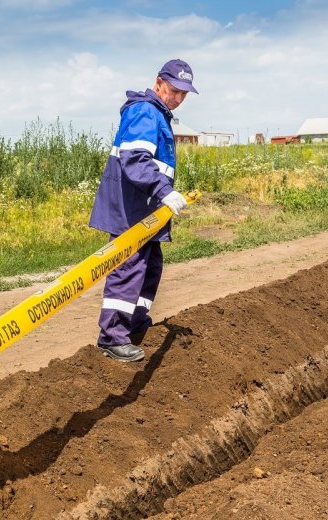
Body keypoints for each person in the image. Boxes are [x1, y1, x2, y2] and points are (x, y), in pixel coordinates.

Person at [88, 59, 198, 362]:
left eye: (183, 94)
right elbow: (135, 158)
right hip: (130, 211)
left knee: (150, 268)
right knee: (128, 269)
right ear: (159, 82)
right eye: (174, 90)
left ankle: (135, 324)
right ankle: (112, 338)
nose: (177, 98)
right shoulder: (144, 112)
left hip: (145, 212)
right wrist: (164, 191)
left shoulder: (159, 115)